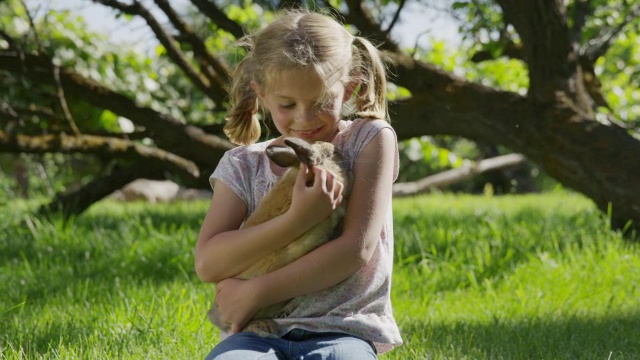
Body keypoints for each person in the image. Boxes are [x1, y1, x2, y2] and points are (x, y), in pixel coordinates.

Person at [195, 9, 403, 359]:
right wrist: (296, 220)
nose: (304, 119)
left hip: (344, 329)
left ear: (349, 88)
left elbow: (357, 249)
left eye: (321, 102)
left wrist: (256, 293)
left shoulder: (368, 140)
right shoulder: (244, 163)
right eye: (287, 104)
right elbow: (208, 264)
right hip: (256, 335)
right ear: (260, 94)